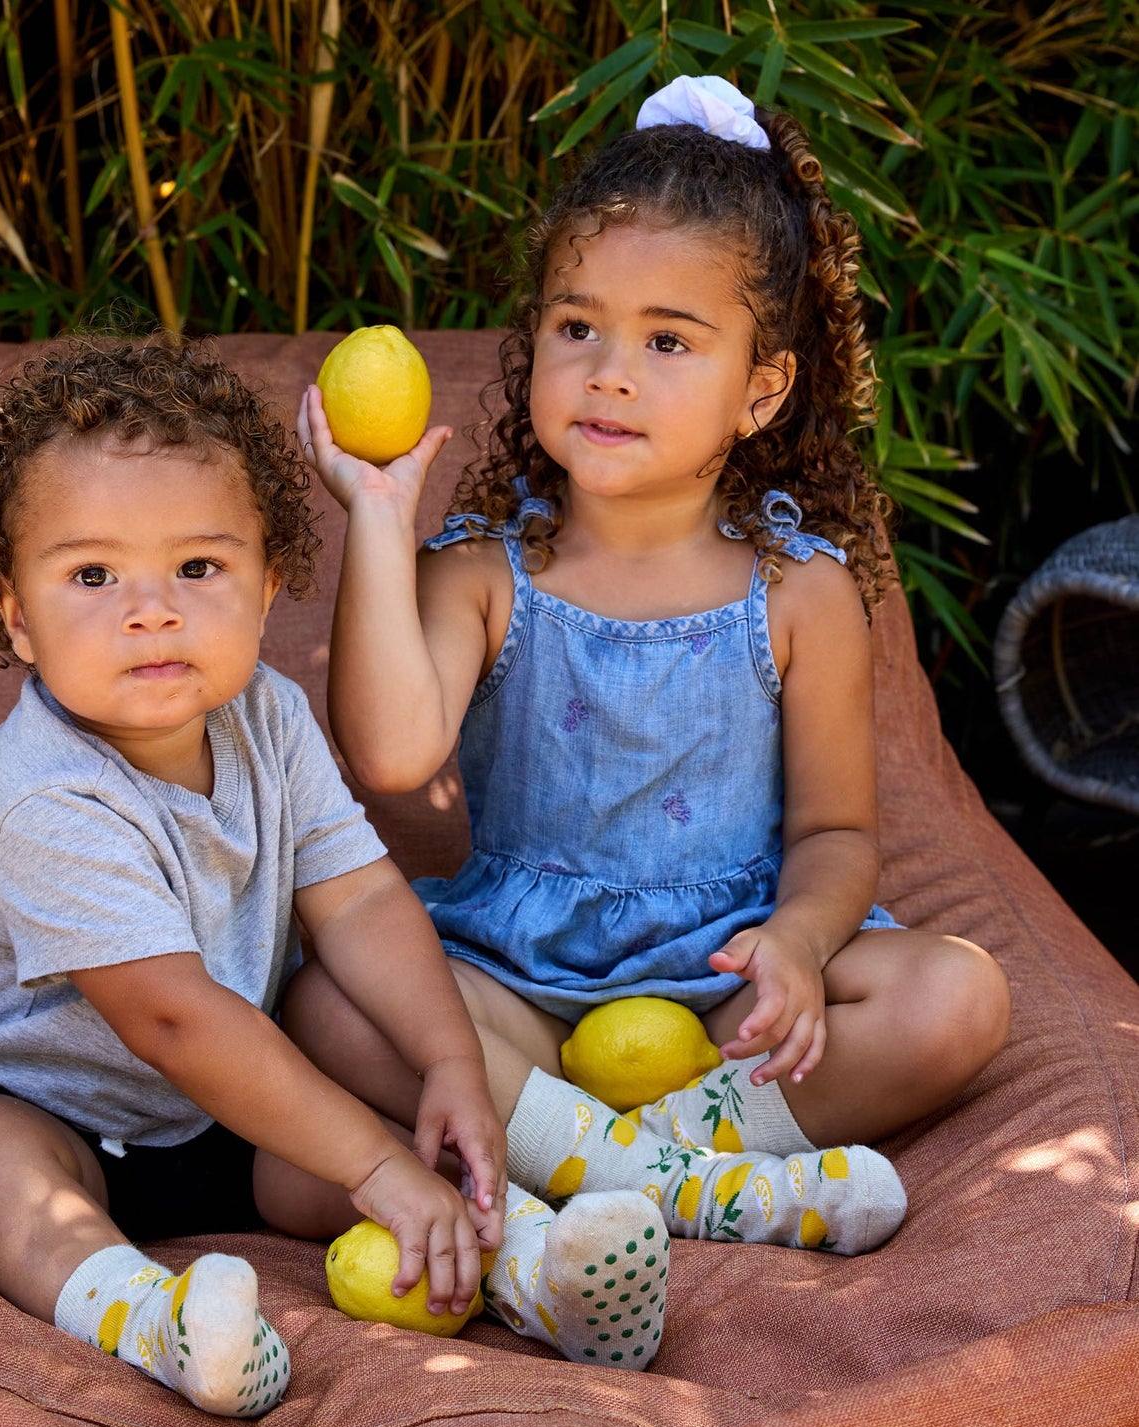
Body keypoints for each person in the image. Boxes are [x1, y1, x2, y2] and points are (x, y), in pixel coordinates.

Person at [294, 76, 1011, 1265]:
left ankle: (596, 1172)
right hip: (513, 984)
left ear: (760, 388)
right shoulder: (480, 569)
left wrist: (797, 943)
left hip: (720, 980)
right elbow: (389, 752)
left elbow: (836, 832)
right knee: (325, 1003)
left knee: (957, 997)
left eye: (668, 340)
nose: (609, 370)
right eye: (577, 328)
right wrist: (373, 519)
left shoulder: (801, 591)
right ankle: (688, 1186)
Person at [0, 335, 519, 1419]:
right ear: (17, 616)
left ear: (265, 588)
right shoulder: (44, 793)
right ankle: (149, 1316)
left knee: (381, 1126)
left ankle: (531, 1257)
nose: (151, 608)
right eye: (91, 574)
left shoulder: (269, 715)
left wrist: (445, 1059)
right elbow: (175, 1020)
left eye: (197, 568)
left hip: (229, 1121)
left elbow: (355, 896)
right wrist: (370, 1162)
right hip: (42, 1103)